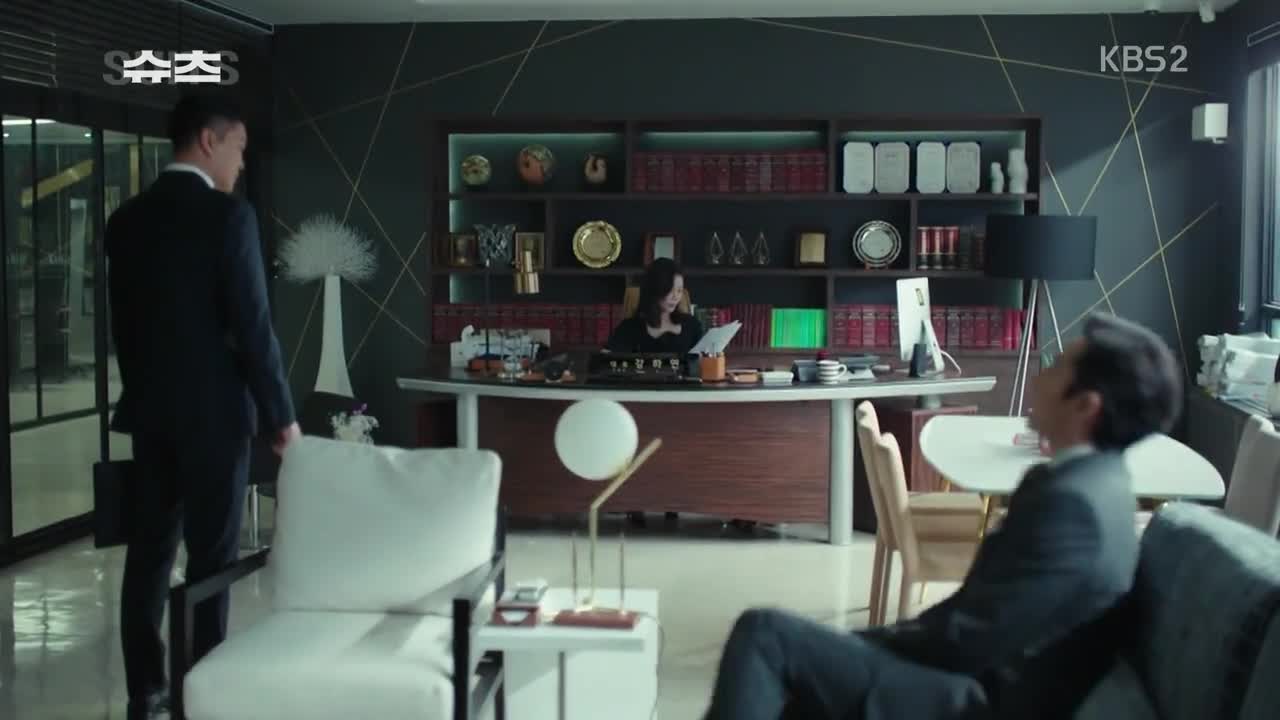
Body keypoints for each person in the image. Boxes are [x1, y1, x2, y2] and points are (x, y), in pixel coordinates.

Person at [703, 313, 1183, 720]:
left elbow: (969, 639)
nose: (1040, 376)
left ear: (1085, 406)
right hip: (975, 678)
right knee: (798, 665)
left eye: (1055, 368)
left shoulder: (1074, 508)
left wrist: (864, 646)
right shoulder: (1099, 486)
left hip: (975, 701)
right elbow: (976, 620)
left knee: (765, 635)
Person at [107, 94, 300, 720]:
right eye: (239, 148)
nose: (241, 164)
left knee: (148, 555)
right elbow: (253, 326)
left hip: (151, 416)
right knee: (211, 558)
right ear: (209, 141)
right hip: (216, 419)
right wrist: (281, 418)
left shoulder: (126, 220)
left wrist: (146, 394)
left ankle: (146, 693)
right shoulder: (228, 216)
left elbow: (124, 331)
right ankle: (201, 687)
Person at [606, 257, 704, 355]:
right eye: (669, 290)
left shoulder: (692, 326)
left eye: (679, 290)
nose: (675, 297)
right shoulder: (629, 328)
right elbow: (607, 358)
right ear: (654, 289)